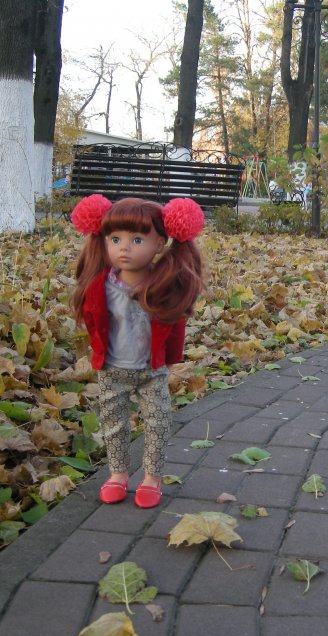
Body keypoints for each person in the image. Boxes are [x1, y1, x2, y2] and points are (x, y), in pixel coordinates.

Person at [70, 195, 204, 508]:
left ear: (160, 243)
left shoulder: (165, 285)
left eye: (137, 240)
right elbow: (93, 321)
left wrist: (169, 359)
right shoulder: (99, 285)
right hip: (111, 368)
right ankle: (118, 474)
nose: (124, 248)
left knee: (157, 423)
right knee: (113, 424)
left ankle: (152, 477)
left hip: (151, 369)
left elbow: (175, 325)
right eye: (115, 239)